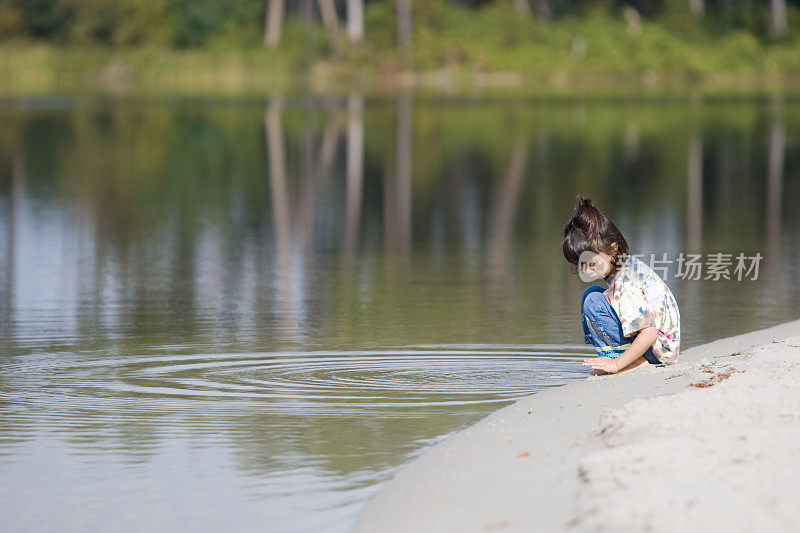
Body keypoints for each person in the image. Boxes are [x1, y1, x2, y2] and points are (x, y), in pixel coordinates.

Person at [562, 196, 681, 374]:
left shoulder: (625, 283)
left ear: (612, 250)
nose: (587, 270)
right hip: (663, 348)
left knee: (593, 301)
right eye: (581, 265)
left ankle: (625, 361)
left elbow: (649, 334)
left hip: (658, 352)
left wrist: (617, 364)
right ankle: (623, 358)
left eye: (592, 263)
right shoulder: (623, 267)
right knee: (593, 293)